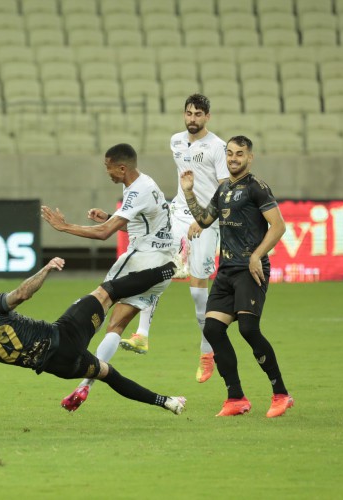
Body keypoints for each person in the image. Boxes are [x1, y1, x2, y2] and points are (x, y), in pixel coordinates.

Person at [0, 257, 183, 437]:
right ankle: (173, 268)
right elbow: (23, 293)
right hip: (64, 336)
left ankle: (166, 401)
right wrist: (46, 269)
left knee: (107, 374)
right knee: (108, 290)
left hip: (60, 367)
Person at [40, 143, 175, 412]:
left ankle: (68, 354)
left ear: (122, 167)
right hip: (164, 263)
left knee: (98, 303)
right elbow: (145, 219)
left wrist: (64, 227)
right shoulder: (144, 184)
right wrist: (111, 216)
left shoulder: (137, 190)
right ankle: (84, 386)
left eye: (108, 167)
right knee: (116, 326)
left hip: (141, 259)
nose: (107, 172)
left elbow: (104, 233)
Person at [180, 135, 293, 418]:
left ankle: (281, 394)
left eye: (239, 154)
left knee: (248, 329)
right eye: (229, 153)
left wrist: (257, 256)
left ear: (249, 158)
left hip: (249, 270)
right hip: (227, 271)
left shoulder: (256, 187)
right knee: (213, 329)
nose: (233, 158)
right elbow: (206, 220)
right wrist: (189, 192)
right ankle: (235, 398)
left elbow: (278, 226)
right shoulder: (224, 188)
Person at [122, 94, 228, 385]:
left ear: (208, 116)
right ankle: (142, 334)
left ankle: (207, 353)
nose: (192, 119)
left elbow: (223, 190)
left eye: (198, 114)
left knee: (197, 296)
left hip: (207, 221)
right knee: (154, 268)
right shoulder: (176, 141)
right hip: (179, 212)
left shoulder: (218, 147)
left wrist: (204, 218)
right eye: (188, 113)